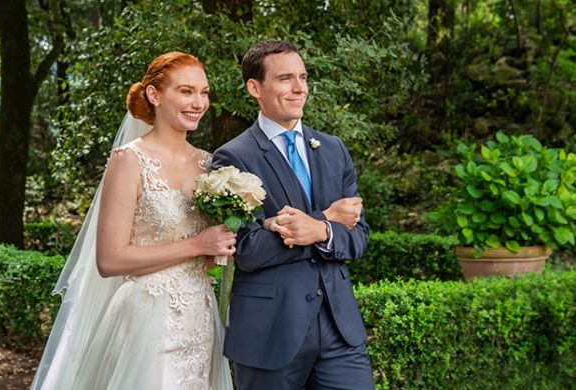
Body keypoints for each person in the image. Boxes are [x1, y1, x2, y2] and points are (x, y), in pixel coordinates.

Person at [31, 51, 234, 390]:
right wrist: (197, 244)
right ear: (154, 95)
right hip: (148, 319)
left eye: (204, 92)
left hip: (200, 318)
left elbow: (208, 251)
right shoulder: (129, 160)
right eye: (186, 91)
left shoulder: (209, 165)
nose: (198, 102)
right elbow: (110, 260)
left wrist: (220, 247)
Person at [212, 40, 375, 389]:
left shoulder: (333, 149)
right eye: (286, 78)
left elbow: (359, 237)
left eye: (302, 77)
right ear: (255, 88)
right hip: (269, 332)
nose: (299, 88)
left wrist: (318, 229)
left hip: (340, 332)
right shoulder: (232, 158)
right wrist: (326, 220)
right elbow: (248, 249)